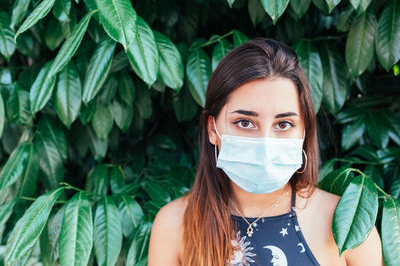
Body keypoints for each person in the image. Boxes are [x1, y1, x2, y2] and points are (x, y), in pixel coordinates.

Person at [148, 38, 383, 266]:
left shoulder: (345, 227)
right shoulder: (174, 224)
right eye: (244, 122)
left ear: (304, 132)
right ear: (212, 128)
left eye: (283, 124)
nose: (265, 143)